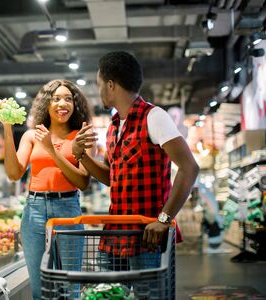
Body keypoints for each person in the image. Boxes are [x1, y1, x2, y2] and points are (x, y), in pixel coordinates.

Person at [72, 51, 199, 269]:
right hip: (116, 235)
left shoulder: (154, 116)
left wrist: (164, 220)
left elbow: (190, 168)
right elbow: (111, 178)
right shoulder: (113, 126)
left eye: (99, 83)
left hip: (148, 238)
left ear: (111, 85)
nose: (98, 90)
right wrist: (81, 155)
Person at [0, 79, 93, 300]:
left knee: (70, 289)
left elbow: (83, 182)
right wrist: (7, 127)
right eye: (55, 99)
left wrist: (51, 149)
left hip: (68, 209)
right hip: (34, 210)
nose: (62, 104)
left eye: (68, 99)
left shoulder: (80, 135)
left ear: (75, 105)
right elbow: (13, 173)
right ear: (46, 104)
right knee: (40, 290)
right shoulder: (31, 136)